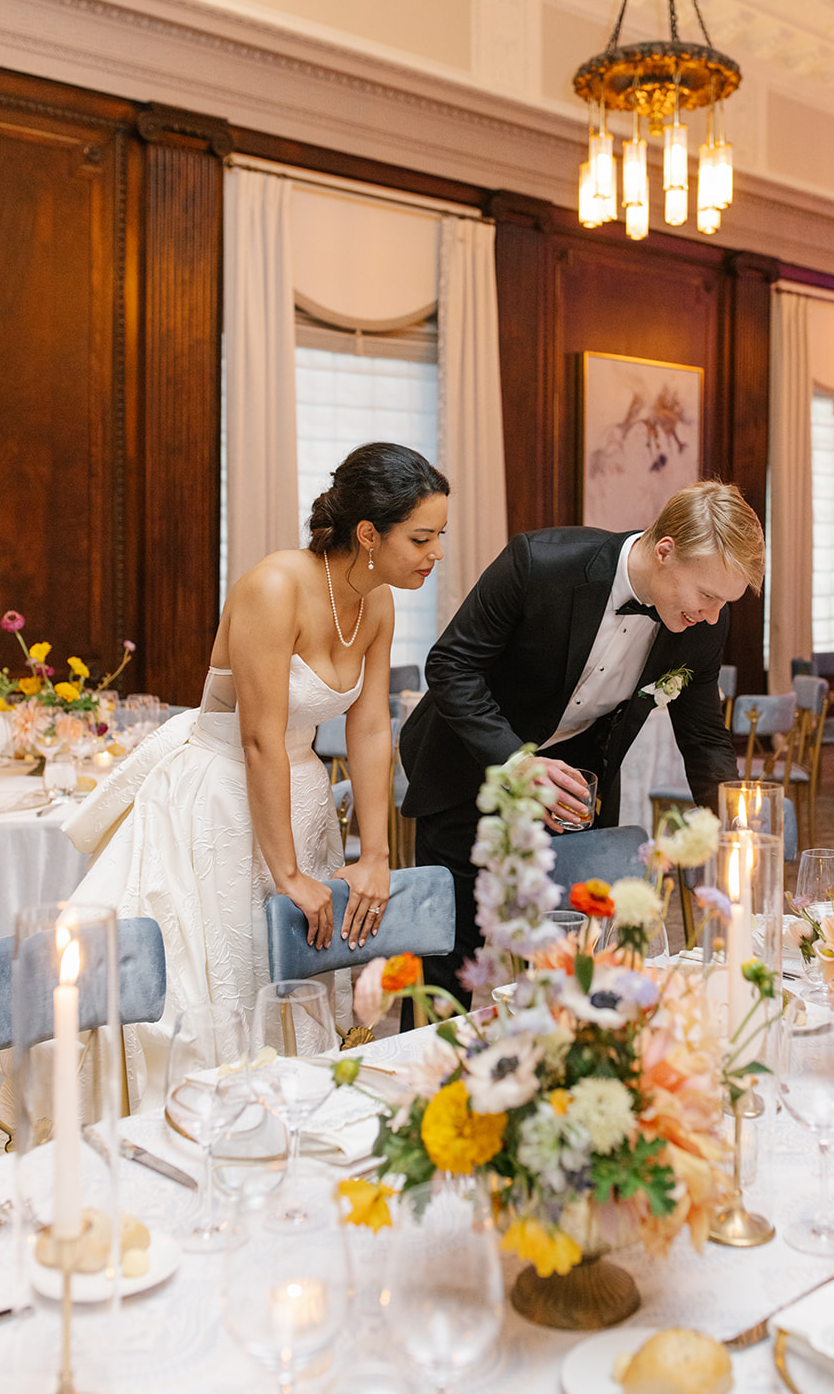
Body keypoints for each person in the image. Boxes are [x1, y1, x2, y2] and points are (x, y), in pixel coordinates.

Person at [64, 442, 449, 1105]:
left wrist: (377, 855)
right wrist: (289, 875)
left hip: (298, 797)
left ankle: (287, 1115)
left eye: (438, 536)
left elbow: (369, 728)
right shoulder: (274, 587)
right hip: (218, 793)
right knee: (220, 977)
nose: (434, 553)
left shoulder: (377, 603)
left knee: (289, 972)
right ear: (367, 534)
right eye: (421, 537)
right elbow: (258, 737)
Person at [399, 479, 764, 1013]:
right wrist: (518, 762)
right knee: (450, 966)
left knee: (576, 967)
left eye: (723, 602)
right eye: (707, 596)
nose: (712, 616)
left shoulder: (705, 620)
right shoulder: (540, 563)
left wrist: (736, 832)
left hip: (573, 794)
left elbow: (704, 735)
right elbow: (451, 664)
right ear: (665, 552)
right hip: (468, 771)